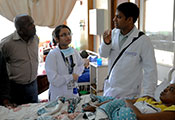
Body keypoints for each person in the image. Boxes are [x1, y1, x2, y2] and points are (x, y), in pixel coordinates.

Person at [99, 2, 157, 98]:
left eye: (119, 17)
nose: (114, 19)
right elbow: (103, 54)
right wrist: (106, 42)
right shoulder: (112, 34)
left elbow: (150, 70)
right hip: (110, 90)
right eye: (115, 16)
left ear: (130, 19)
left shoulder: (142, 40)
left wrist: (148, 94)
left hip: (129, 94)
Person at [0, 14, 39, 105]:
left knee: (34, 112)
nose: (33, 26)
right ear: (20, 31)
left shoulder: (35, 39)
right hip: (16, 88)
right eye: (29, 24)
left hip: (33, 84)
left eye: (33, 23)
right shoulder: (6, 44)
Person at [83, 83, 175, 120]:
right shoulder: (148, 98)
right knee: (113, 100)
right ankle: (98, 108)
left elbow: (140, 116)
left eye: (171, 89)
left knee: (126, 111)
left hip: (122, 114)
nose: (165, 90)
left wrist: (129, 103)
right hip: (114, 107)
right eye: (166, 87)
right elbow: (119, 101)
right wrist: (96, 106)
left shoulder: (171, 111)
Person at [45, 25, 84, 101]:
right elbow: (54, 80)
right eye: (63, 35)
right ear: (56, 39)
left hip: (73, 93)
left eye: (69, 34)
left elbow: (81, 64)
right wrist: (71, 77)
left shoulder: (74, 52)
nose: (68, 37)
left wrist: (77, 74)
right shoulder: (52, 55)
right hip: (58, 94)